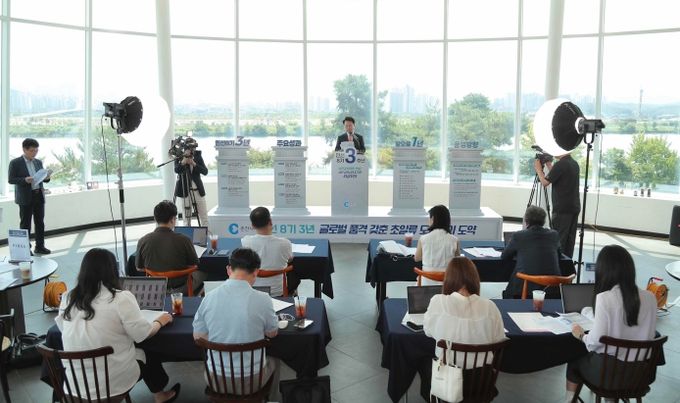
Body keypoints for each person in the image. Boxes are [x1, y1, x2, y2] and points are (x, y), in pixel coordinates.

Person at [56, 248, 180, 403]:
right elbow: (142, 334)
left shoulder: (68, 297)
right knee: (148, 351)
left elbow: (62, 328)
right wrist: (160, 321)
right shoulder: (120, 298)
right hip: (111, 384)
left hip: (74, 387)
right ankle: (160, 395)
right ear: (112, 271)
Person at [565, 245, 657, 403]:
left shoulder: (605, 298)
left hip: (609, 375)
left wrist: (581, 335)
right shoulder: (650, 297)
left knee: (574, 358)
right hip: (641, 374)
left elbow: (594, 343)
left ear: (603, 271)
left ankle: (569, 401)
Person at [193, 247, 280, 400]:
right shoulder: (263, 299)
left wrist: (223, 339)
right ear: (256, 272)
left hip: (215, 380)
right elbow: (272, 333)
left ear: (228, 269)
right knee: (275, 360)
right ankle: (271, 400)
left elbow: (198, 337)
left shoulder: (209, 298)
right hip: (252, 381)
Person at [423, 256, 506, 367]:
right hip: (481, 374)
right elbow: (498, 339)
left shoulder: (438, 301)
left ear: (448, 278)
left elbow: (428, 331)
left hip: (447, 374)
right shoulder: (490, 307)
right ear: (475, 278)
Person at [135, 200, 206, 294]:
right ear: (172, 219)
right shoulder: (184, 240)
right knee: (203, 273)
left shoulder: (143, 241)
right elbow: (194, 265)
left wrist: (157, 272)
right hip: (182, 287)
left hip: (156, 288)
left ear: (155, 219)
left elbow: (139, 268)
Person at [501, 206, 561, 299]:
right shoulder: (554, 235)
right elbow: (559, 256)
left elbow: (505, 256)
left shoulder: (519, 236)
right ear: (544, 221)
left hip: (525, 290)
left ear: (526, 220)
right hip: (552, 290)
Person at [7, 138, 52, 254]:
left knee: (40, 222)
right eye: (32, 150)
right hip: (25, 197)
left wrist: (47, 177)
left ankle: (40, 246)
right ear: (24, 149)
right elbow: (11, 179)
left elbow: (42, 178)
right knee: (25, 224)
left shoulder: (38, 162)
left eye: (36, 150)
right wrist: (24, 180)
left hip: (38, 195)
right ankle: (25, 249)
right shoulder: (15, 163)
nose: (34, 153)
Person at [534, 151, 580, 257]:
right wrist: (549, 164)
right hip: (573, 207)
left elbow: (545, 182)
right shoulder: (573, 163)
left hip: (562, 209)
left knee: (558, 239)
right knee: (569, 240)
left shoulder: (560, 164)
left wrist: (538, 169)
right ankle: (566, 263)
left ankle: (557, 263)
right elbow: (557, 175)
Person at [241, 207, 293, 297]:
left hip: (254, 292)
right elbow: (289, 259)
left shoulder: (245, 242)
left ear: (252, 225)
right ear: (270, 222)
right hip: (279, 292)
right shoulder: (285, 243)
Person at [414, 205, 460, 285]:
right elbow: (457, 259)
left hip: (426, 285)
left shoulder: (423, 238)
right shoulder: (454, 240)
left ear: (432, 219)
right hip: (447, 284)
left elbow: (417, 258)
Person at [173, 145, 208, 227]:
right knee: (186, 219)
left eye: (193, 148)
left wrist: (194, 163)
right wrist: (183, 162)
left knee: (204, 216)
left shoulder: (198, 156)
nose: (192, 150)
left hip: (198, 191)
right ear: (185, 149)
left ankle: (205, 234)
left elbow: (205, 171)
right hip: (185, 192)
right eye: (189, 148)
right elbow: (176, 170)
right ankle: (187, 235)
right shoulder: (179, 156)